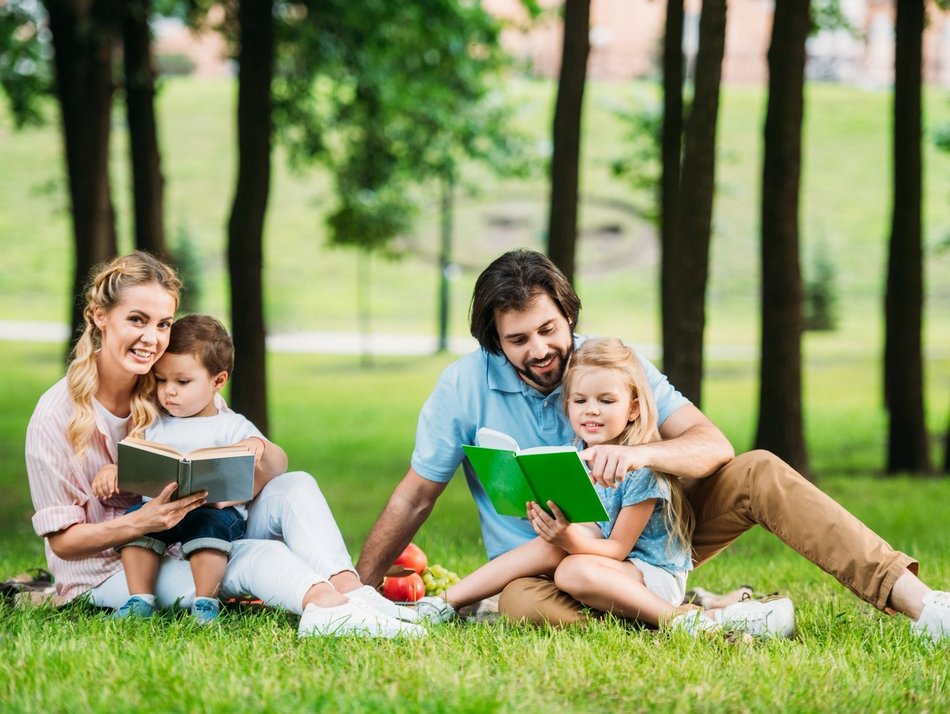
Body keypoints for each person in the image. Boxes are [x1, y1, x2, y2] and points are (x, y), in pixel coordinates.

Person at [356, 249, 949, 641]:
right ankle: (704, 619)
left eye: (548, 329)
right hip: (543, 570)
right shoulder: (462, 386)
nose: (539, 349)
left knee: (760, 468)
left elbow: (710, 444)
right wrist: (358, 592)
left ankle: (922, 604)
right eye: (517, 340)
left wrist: (641, 454)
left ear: (568, 313)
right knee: (522, 606)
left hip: (646, 542)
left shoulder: (610, 365)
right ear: (494, 343)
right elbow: (414, 497)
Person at [26, 252, 423, 638]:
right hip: (113, 571)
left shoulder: (170, 386)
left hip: (195, 534)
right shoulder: (55, 415)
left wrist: (231, 477)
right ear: (100, 316)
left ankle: (353, 592)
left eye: (163, 324)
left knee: (296, 484)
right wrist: (141, 522)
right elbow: (63, 543)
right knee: (253, 557)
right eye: (137, 320)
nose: (152, 338)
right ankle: (328, 609)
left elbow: (262, 470)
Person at [417, 337, 791, 635]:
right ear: (568, 405)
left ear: (632, 408)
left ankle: (684, 620)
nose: (591, 410)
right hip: (612, 568)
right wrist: (554, 526)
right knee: (549, 550)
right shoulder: (578, 457)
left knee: (570, 569)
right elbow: (591, 531)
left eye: (606, 400)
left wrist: (567, 539)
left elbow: (615, 548)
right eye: (580, 400)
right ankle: (443, 602)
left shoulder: (640, 468)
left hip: (650, 574)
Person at [90, 315, 283, 623]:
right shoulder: (152, 422)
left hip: (214, 513)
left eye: (182, 382)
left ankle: (205, 600)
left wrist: (258, 447)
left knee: (207, 525)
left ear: (217, 381)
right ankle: (140, 598)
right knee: (134, 523)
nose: (169, 392)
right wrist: (113, 471)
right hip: (160, 511)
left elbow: (278, 464)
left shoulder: (232, 425)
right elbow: (136, 465)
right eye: (162, 380)